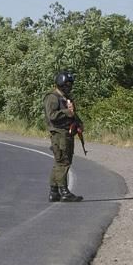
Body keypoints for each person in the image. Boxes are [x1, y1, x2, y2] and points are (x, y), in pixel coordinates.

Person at [43, 71, 83, 202]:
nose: (69, 87)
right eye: (66, 84)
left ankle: (54, 192)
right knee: (64, 162)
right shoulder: (52, 97)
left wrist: (78, 124)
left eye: (70, 84)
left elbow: (72, 114)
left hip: (66, 133)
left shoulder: (66, 97)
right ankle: (64, 191)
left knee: (59, 163)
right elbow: (52, 116)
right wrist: (67, 112)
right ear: (60, 83)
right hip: (59, 134)